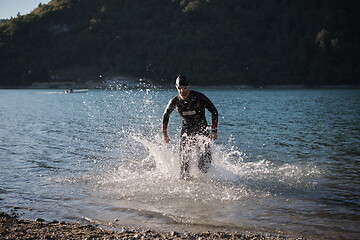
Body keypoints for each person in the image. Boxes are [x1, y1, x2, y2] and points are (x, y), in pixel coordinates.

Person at [162, 75, 218, 179]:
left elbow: (214, 111)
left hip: (202, 131)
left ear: (189, 87)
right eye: (179, 88)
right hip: (186, 132)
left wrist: (214, 130)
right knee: (184, 167)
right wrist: (164, 134)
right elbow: (166, 115)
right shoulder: (175, 101)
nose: (182, 91)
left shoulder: (199, 97)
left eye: (184, 88)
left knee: (203, 166)